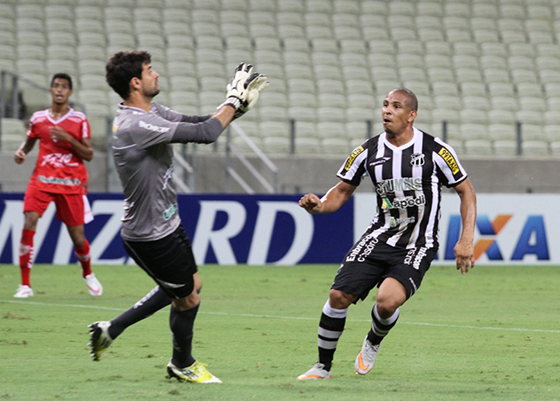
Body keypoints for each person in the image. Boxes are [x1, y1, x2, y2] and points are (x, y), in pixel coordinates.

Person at [87, 51, 268, 383]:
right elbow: (207, 135)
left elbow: (200, 123)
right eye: (149, 70)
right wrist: (232, 100)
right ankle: (181, 363)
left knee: (189, 287)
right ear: (135, 83)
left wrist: (237, 108)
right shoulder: (134, 124)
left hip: (167, 222)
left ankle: (112, 328)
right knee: (187, 299)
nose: (156, 74)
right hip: (150, 234)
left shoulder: (150, 111)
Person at [296, 88, 477, 380]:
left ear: (411, 115)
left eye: (395, 106)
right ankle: (322, 367)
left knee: (387, 301)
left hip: (418, 243)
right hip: (379, 237)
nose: (387, 111)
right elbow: (341, 191)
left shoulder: (435, 150)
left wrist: (466, 238)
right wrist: (319, 206)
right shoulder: (367, 151)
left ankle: (373, 341)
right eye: (384, 105)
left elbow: (466, 191)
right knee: (338, 296)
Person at [13, 73, 102, 298]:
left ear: (70, 92)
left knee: (78, 238)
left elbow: (89, 154)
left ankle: (88, 273)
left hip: (71, 183)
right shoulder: (38, 118)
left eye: (64, 86)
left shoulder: (79, 120)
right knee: (29, 221)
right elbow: (31, 140)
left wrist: (69, 139)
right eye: (56, 86)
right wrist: (22, 151)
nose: (59, 90)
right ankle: (25, 285)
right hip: (42, 180)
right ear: (51, 90)